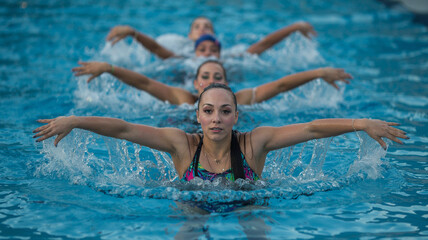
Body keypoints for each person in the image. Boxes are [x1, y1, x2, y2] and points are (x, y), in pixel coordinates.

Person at [33, 83, 408, 182]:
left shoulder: (255, 142)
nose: (216, 118)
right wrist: (76, 120)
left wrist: (361, 124)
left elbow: (310, 128)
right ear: (197, 116)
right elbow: (125, 128)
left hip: (247, 204)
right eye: (208, 111)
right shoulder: (179, 144)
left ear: (235, 116)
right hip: (191, 206)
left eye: (224, 111)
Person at [72, 60, 351, 105]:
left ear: (227, 83)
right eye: (205, 77)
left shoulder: (239, 100)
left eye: (218, 77)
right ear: (195, 84)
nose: (211, 81)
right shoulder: (184, 100)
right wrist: (108, 68)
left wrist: (317, 72)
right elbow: (145, 84)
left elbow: (279, 86)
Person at [106, 17, 316, 59]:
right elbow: (160, 51)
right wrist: (134, 33)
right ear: (190, 37)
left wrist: (293, 27)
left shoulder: (228, 56)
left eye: (207, 26)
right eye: (197, 27)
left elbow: (262, 45)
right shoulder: (183, 56)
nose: (203, 29)